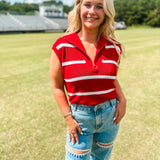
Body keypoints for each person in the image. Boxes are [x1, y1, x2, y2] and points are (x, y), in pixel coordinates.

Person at [50, 0, 126, 159]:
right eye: (88, 5)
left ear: (106, 12)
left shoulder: (114, 47)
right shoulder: (62, 46)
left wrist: (123, 100)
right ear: (79, 8)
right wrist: (68, 118)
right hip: (79, 119)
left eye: (99, 6)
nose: (92, 11)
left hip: (110, 116)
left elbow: (110, 79)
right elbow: (57, 87)